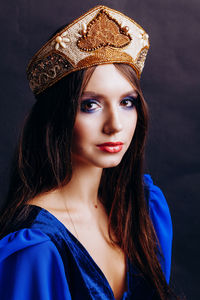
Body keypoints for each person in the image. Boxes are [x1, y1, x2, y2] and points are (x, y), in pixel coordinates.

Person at [0, 5, 174, 300]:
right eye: (90, 105)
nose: (115, 125)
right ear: (59, 115)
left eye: (127, 102)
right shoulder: (37, 248)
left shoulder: (143, 209)